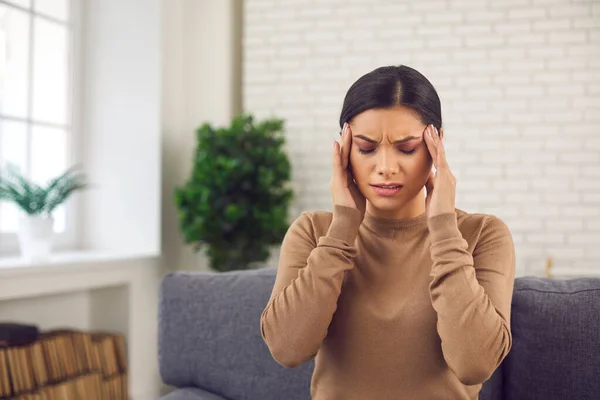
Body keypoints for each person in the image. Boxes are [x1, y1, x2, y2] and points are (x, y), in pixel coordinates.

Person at [260, 65, 515, 400]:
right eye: (366, 148)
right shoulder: (313, 232)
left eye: (406, 148)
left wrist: (443, 229)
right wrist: (342, 229)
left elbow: (475, 363)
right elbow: (287, 349)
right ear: (345, 149)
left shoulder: (482, 234)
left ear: (436, 144)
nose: (385, 167)